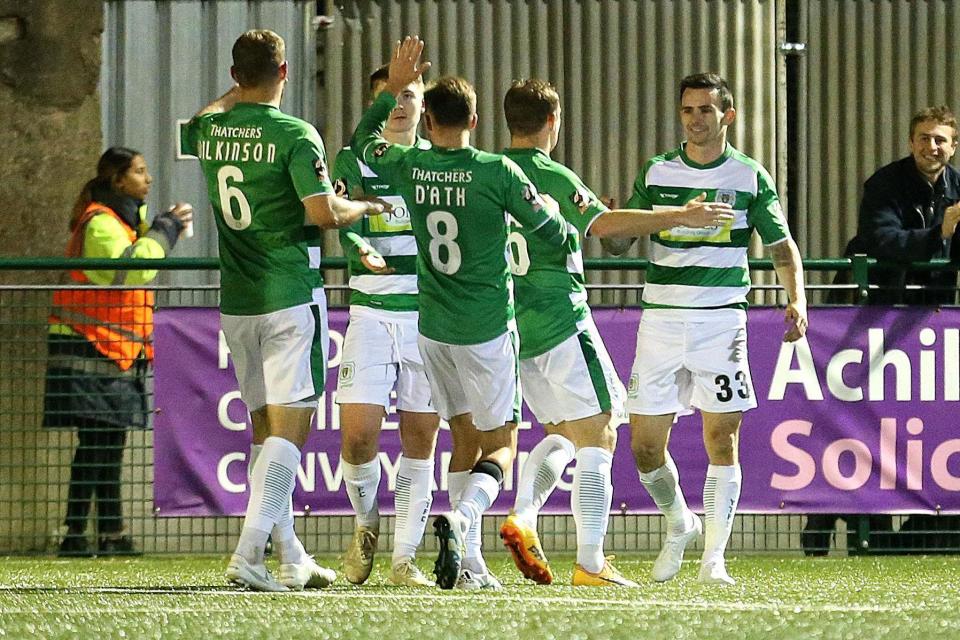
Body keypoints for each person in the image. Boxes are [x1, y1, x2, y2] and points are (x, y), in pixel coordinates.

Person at [495, 79, 734, 587]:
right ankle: (590, 562)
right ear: (552, 123)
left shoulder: (492, 174)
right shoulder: (550, 174)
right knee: (600, 433)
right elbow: (603, 225)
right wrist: (682, 214)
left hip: (514, 326)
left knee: (560, 433)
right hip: (561, 319)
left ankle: (523, 513)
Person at [350, 37, 569, 590]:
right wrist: (551, 217)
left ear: (427, 123)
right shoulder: (497, 171)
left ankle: (469, 564)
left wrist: (392, 92)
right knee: (502, 445)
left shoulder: (409, 165)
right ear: (475, 116)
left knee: (463, 439)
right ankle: (465, 519)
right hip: (488, 327)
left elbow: (361, 144)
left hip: (434, 330)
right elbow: (555, 235)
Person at [180, 29, 388, 592]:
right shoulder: (296, 133)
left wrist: (231, 98)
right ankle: (249, 555)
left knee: (264, 430)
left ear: (234, 74)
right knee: (290, 432)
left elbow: (205, 115)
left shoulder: (211, 130)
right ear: (286, 71)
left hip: (238, 300)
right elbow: (322, 211)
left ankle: (291, 554)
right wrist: (364, 205)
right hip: (290, 294)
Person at [625, 73, 807, 586]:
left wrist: (797, 298)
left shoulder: (749, 175)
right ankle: (680, 523)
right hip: (660, 319)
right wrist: (641, 217)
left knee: (721, 437)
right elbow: (619, 242)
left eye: (705, 109)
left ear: (727, 115)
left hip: (721, 319)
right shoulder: (658, 171)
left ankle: (713, 560)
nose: (695, 118)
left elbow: (779, 245)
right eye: (687, 110)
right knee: (643, 446)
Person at [45, 146, 192, 557]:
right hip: (89, 348)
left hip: (115, 351)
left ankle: (110, 533)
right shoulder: (101, 223)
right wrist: (164, 231)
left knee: (108, 444)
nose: (148, 179)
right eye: (139, 172)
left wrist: (158, 228)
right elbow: (129, 272)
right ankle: (75, 534)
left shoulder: (124, 223)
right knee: (95, 444)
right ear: (117, 181)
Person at [332, 65, 440, 587]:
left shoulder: (436, 162)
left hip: (428, 318)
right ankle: (366, 521)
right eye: (389, 96)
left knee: (420, 440)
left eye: (409, 95)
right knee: (357, 439)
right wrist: (360, 246)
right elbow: (337, 218)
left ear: (423, 105)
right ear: (374, 104)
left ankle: (405, 560)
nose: (400, 105)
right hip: (371, 312)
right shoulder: (352, 159)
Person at [842, 106, 960, 305]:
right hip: (880, 307)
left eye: (940, 140)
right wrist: (939, 233)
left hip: (937, 309)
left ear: (953, 147)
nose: (932, 147)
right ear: (911, 143)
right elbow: (881, 240)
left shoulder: (957, 186)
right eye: (924, 138)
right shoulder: (884, 183)